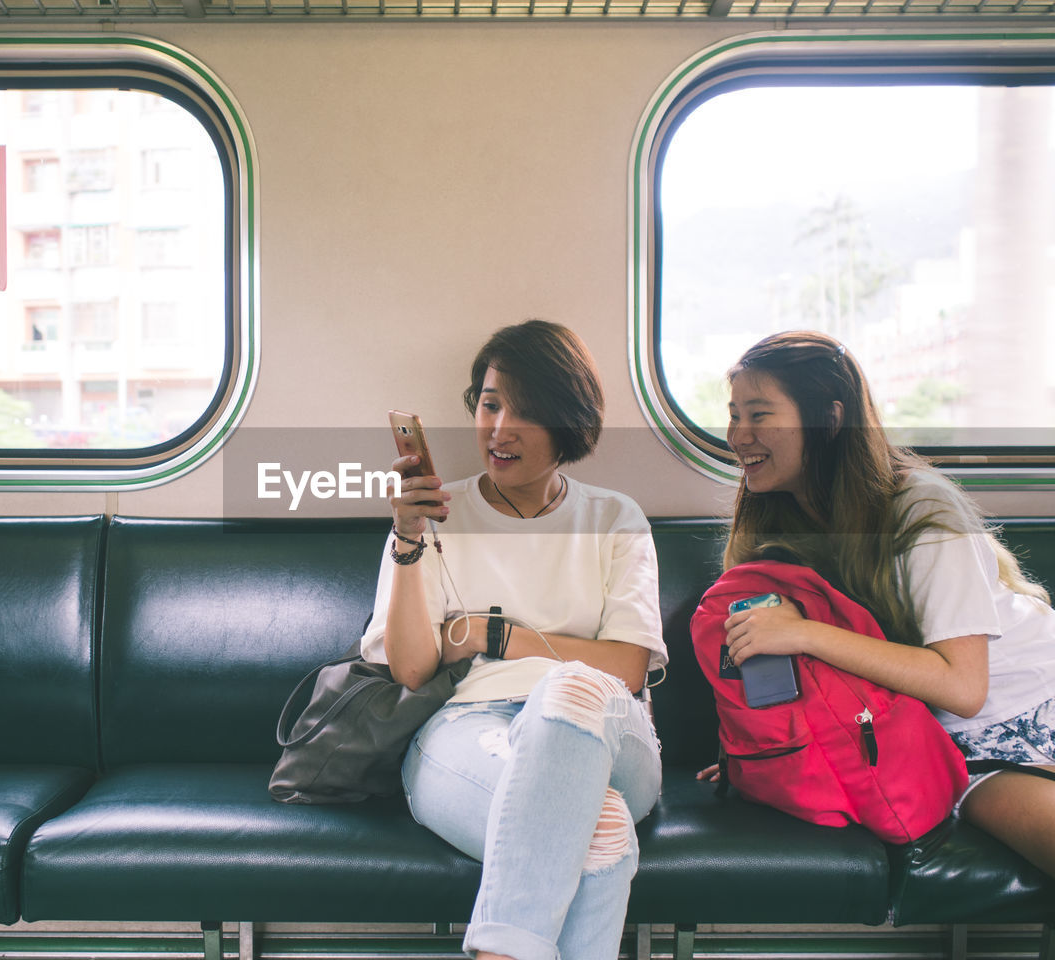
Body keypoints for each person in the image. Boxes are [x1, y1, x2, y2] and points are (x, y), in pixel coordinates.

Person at [361, 319, 666, 960]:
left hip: (607, 735)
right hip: (466, 730)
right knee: (602, 833)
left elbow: (629, 669)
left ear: (569, 424)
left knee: (573, 687)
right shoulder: (433, 520)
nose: (500, 430)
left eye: (525, 412)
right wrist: (410, 539)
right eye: (492, 404)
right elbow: (412, 669)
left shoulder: (615, 519)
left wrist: (491, 636)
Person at [710, 329, 1055, 876]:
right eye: (733, 415)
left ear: (829, 419)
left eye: (758, 414)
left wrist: (805, 632)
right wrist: (767, 753)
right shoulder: (773, 524)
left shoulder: (921, 509)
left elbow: (963, 688)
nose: (737, 434)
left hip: (1034, 695)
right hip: (951, 745)